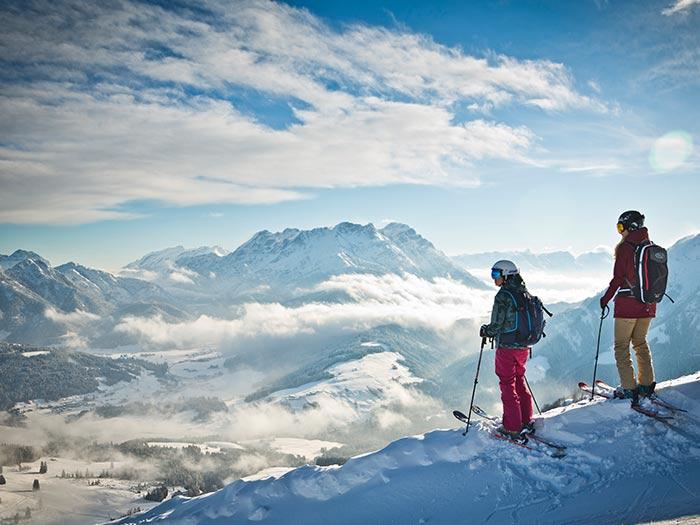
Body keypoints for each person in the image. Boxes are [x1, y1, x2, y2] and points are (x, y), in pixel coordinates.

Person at [600, 210, 656, 405]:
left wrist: (605, 299)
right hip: (649, 304)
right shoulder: (649, 246)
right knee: (640, 343)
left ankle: (629, 389)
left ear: (630, 227)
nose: (619, 232)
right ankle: (647, 385)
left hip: (628, 305)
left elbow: (618, 278)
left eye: (620, 227)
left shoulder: (626, 248)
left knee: (621, 347)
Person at [479, 260, 533, 439]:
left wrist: (485, 330)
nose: (493, 278)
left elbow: (497, 324)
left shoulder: (503, 295)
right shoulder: (523, 292)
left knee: (507, 384)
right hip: (524, 347)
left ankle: (512, 427)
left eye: (496, 274)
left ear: (506, 274)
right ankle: (526, 419)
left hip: (507, 347)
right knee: (519, 380)